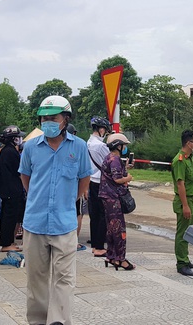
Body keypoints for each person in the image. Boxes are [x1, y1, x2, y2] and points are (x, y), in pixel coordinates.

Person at [19, 95, 92, 325]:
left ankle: (58, 321)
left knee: (64, 278)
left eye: (53, 117)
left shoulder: (79, 147)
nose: (47, 122)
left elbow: (84, 178)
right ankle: (39, 321)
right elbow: (25, 178)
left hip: (64, 223)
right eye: (44, 118)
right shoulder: (30, 147)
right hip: (35, 222)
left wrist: (69, 200)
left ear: (65, 119)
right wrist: (38, 200)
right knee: (36, 280)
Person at [99, 132, 135, 271]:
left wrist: (126, 169)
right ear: (118, 146)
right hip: (113, 197)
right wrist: (129, 178)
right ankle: (120, 259)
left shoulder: (110, 158)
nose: (125, 148)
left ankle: (111, 255)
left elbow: (115, 174)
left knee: (111, 227)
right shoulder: (114, 159)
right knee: (119, 228)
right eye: (124, 145)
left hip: (107, 196)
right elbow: (117, 179)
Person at [171, 129, 193, 276]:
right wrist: (185, 205)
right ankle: (181, 263)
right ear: (189, 143)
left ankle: (185, 258)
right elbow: (180, 185)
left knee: (189, 232)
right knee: (182, 233)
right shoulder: (180, 160)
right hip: (185, 201)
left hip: (192, 199)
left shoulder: (190, 158)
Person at [0, 125, 26, 252]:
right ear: (13, 139)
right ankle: (6, 242)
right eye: (18, 137)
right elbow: (18, 171)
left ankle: (9, 241)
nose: (20, 139)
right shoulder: (10, 152)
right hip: (11, 189)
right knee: (9, 217)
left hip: (8, 188)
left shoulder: (6, 151)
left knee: (11, 216)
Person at [86, 116, 111, 258]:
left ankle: (95, 245)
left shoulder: (87, 143)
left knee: (94, 215)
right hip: (101, 181)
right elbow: (109, 162)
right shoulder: (100, 146)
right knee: (102, 215)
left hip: (90, 181)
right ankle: (100, 247)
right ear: (101, 129)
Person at [67, 123, 87, 252]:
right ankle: (74, 241)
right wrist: (82, 191)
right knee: (78, 214)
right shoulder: (78, 147)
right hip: (75, 187)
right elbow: (85, 173)